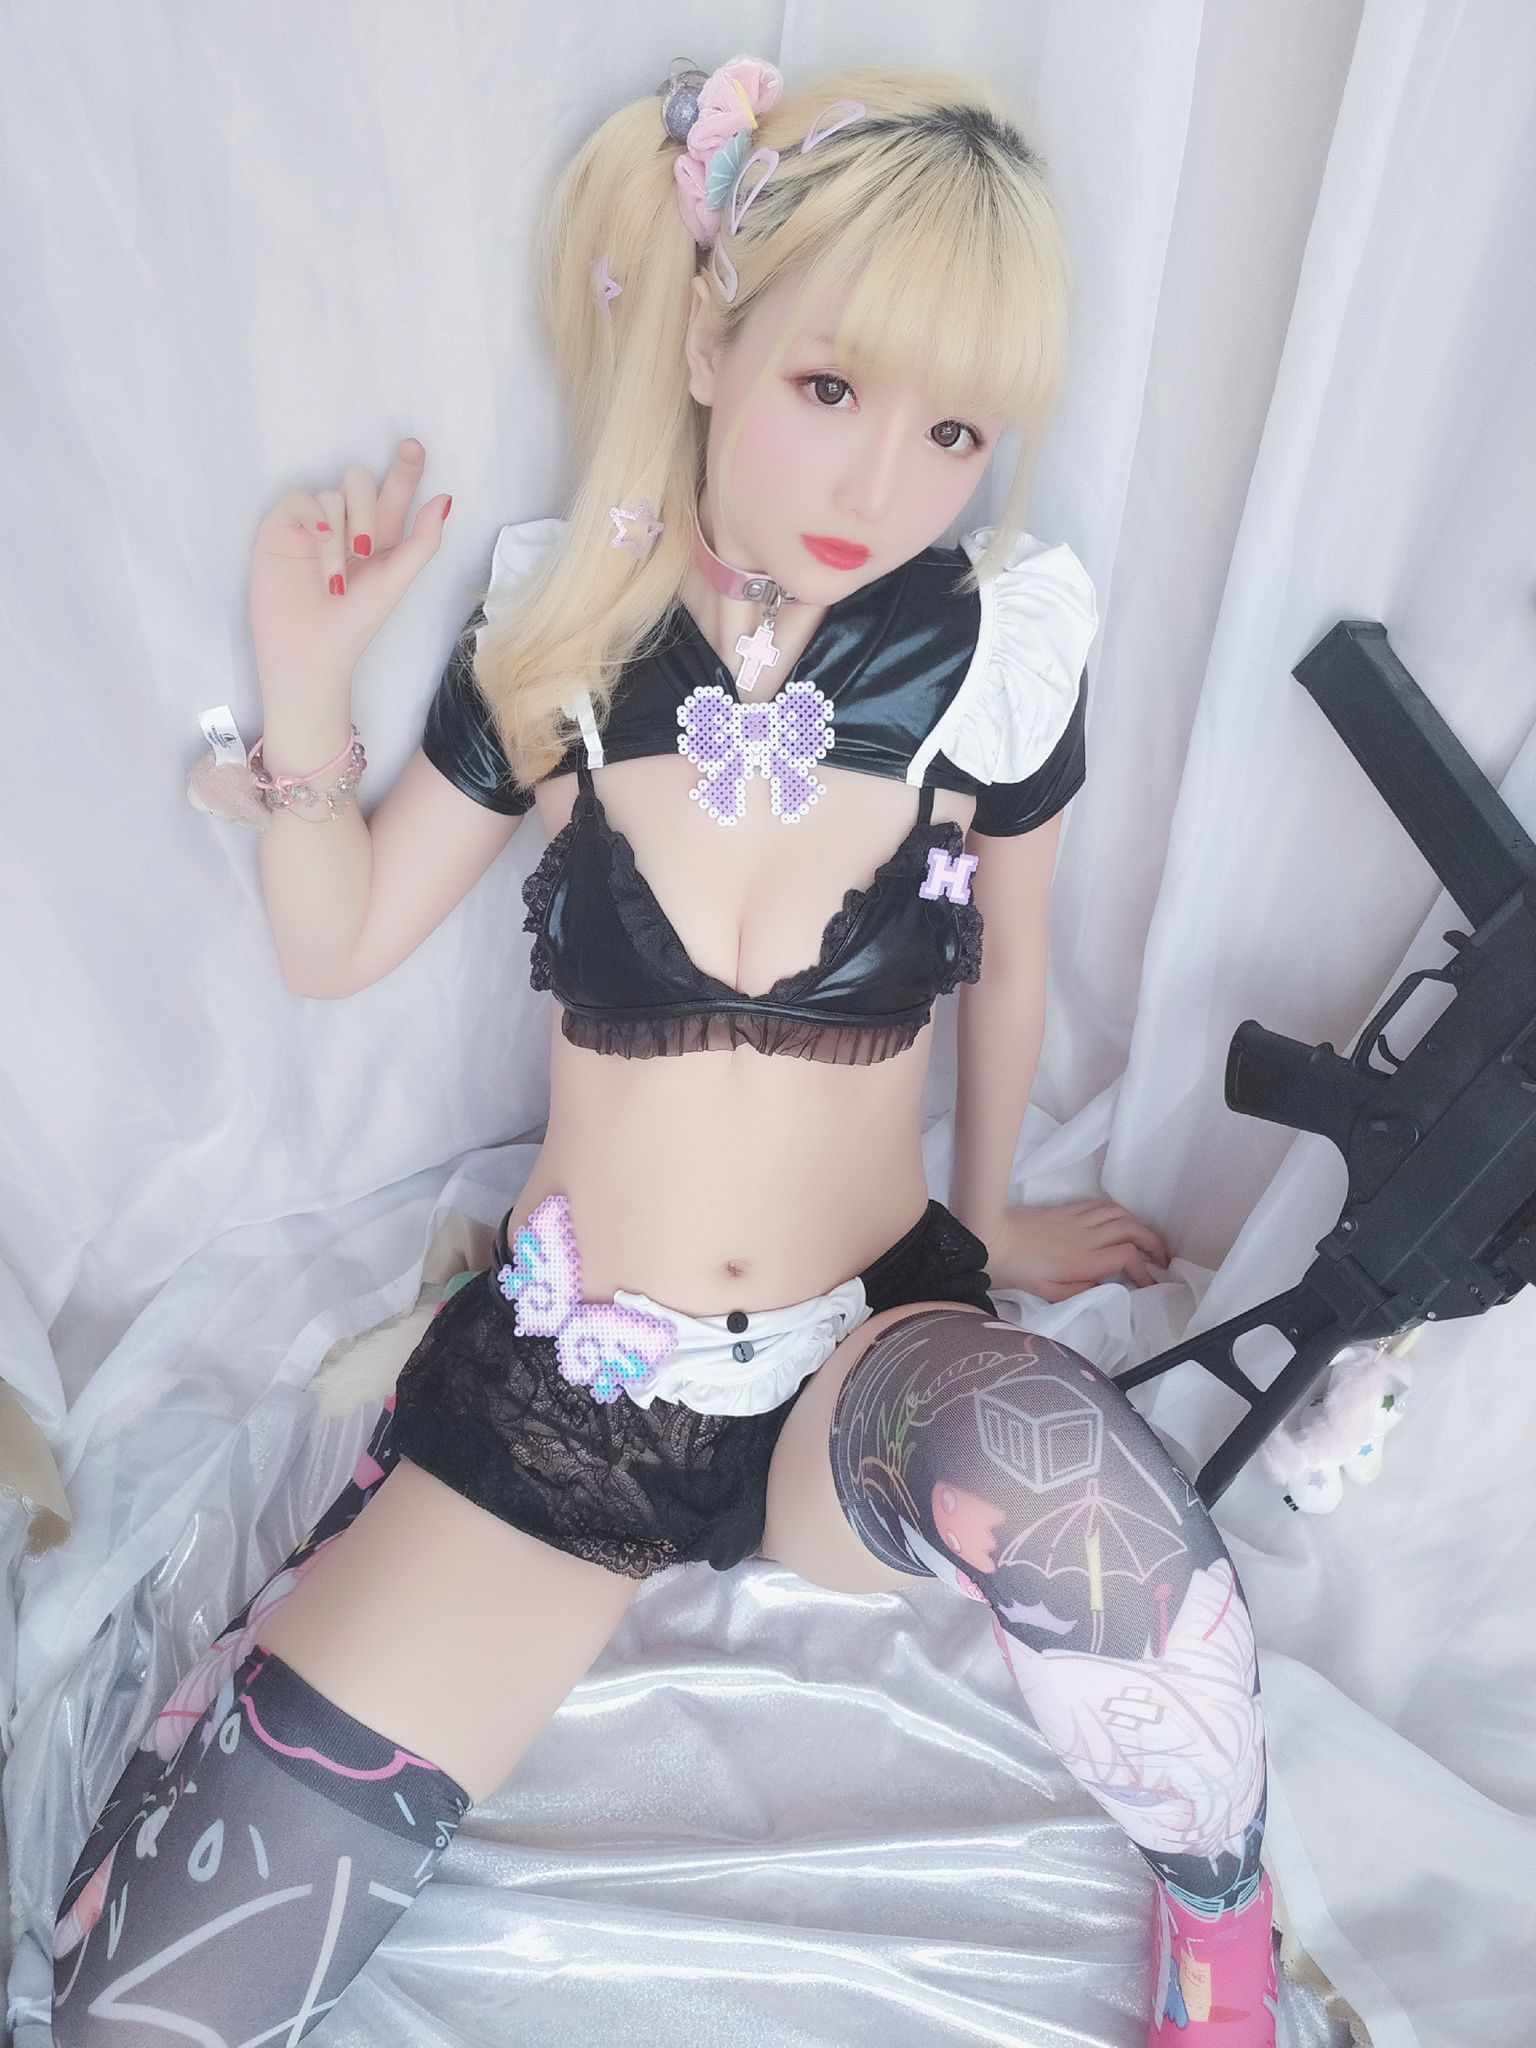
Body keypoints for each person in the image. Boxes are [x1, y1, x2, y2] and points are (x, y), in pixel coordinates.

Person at [53, 56, 1277, 2046]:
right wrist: (305, 673)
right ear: (712, 339)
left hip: (863, 1364)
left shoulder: (997, 641)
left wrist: (991, 1227)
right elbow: (336, 941)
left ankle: (1225, 1933)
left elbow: (1015, 962)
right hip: (568, 1399)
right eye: (832, 388)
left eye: (953, 431)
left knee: (1069, 1481)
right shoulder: (564, 628)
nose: (883, 487)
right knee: (155, 2001)